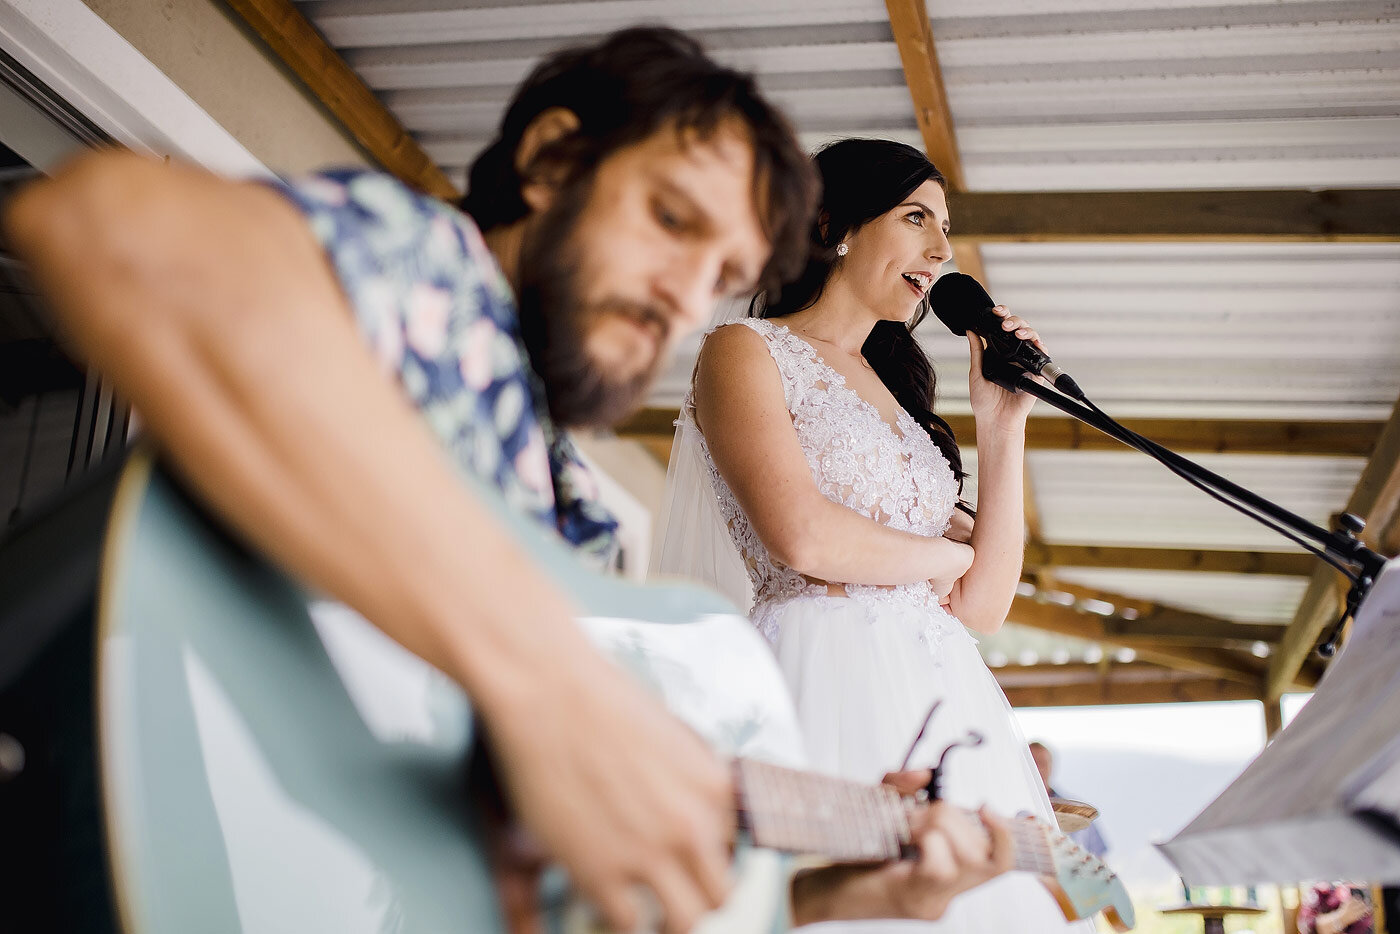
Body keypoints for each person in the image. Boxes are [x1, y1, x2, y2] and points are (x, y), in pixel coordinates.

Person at [5, 27, 1016, 933]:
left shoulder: (556, 504)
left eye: (717, 274)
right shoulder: (430, 274)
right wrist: (538, 680)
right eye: (669, 217)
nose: (682, 290)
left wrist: (857, 892)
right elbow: (110, 225)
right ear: (551, 159)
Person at [660, 137, 1090, 931]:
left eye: (945, 228)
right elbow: (804, 538)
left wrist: (1002, 425)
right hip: (819, 668)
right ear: (836, 225)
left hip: (946, 695)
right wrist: (949, 553)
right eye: (917, 217)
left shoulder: (903, 403)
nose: (941, 249)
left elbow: (987, 604)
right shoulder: (747, 352)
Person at [1029, 741, 1108, 859]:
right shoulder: (1014, 808)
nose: (1038, 769)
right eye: (1032, 764)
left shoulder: (1079, 811)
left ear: (1051, 767)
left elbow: (1099, 857)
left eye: (1042, 764)